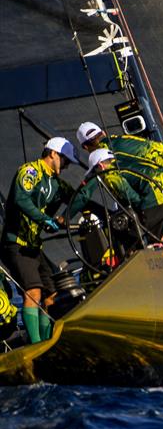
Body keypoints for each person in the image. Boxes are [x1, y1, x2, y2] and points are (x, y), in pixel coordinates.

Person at [0, 137, 78, 343]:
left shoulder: (57, 183)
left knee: (51, 293)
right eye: (65, 160)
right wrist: (44, 219)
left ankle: (46, 341)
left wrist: (93, 182)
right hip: (16, 243)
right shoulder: (30, 172)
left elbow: (78, 197)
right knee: (33, 290)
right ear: (52, 154)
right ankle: (35, 345)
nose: (67, 165)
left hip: (34, 246)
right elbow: (20, 198)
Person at [76, 122, 163, 243]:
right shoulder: (124, 144)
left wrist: (140, 212)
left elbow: (130, 196)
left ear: (85, 147)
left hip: (158, 197)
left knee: (137, 237)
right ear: (103, 133)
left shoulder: (108, 168)